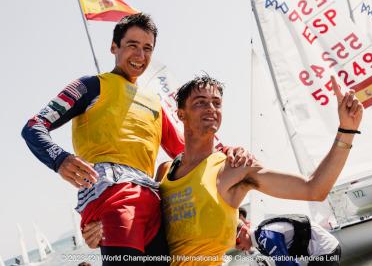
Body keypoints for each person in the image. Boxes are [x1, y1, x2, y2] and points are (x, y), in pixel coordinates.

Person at [21, 14, 249, 266]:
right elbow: (34, 126)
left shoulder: (156, 103)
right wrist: (60, 159)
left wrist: (226, 153)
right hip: (114, 195)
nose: (140, 55)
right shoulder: (90, 86)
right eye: (132, 45)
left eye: (147, 48)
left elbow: (189, 156)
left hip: (152, 202)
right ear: (113, 47)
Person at [84, 73, 363, 265]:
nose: (211, 109)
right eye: (200, 102)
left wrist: (346, 130)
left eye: (217, 103)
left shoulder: (234, 168)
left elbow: (314, 188)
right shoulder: (165, 171)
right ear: (180, 114)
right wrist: (100, 231)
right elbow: (141, 223)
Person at [235, 215, 341, 266]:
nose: (237, 248)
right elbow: (291, 262)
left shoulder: (265, 237)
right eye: (232, 246)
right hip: (324, 251)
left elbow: (286, 264)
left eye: (237, 242)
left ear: (244, 231)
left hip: (325, 250)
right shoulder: (260, 241)